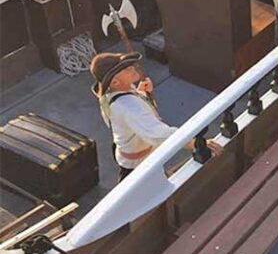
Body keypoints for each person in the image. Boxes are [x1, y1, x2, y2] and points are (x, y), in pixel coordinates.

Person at [90, 52, 222, 181]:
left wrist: (142, 93)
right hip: (137, 165)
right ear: (115, 82)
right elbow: (158, 134)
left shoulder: (114, 94)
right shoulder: (129, 107)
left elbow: (130, 113)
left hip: (130, 149)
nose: (132, 67)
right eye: (126, 69)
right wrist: (194, 143)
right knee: (143, 197)